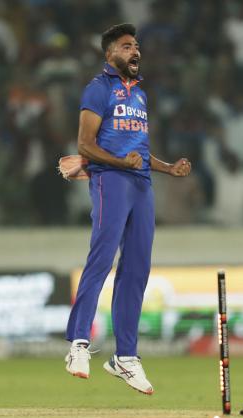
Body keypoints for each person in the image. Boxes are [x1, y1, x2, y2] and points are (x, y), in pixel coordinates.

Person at [63, 23, 191, 395]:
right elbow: (85, 144)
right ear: (109, 55)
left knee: (136, 268)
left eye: (136, 46)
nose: (135, 51)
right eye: (125, 46)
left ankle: (126, 357)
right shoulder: (98, 89)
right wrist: (120, 163)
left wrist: (168, 169)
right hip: (111, 182)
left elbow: (138, 150)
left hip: (141, 185)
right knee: (102, 259)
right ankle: (78, 344)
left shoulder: (139, 96)